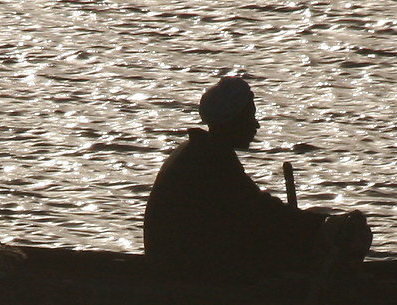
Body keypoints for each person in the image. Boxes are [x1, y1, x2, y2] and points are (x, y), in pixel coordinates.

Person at [142, 74, 367, 281]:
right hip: (183, 270)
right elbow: (258, 211)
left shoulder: (203, 151)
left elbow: (254, 208)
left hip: (179, 260)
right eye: (250, 117)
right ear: (233, 121)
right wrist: (320, 226)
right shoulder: (210, 159)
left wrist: (312, 223)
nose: (256, 124)